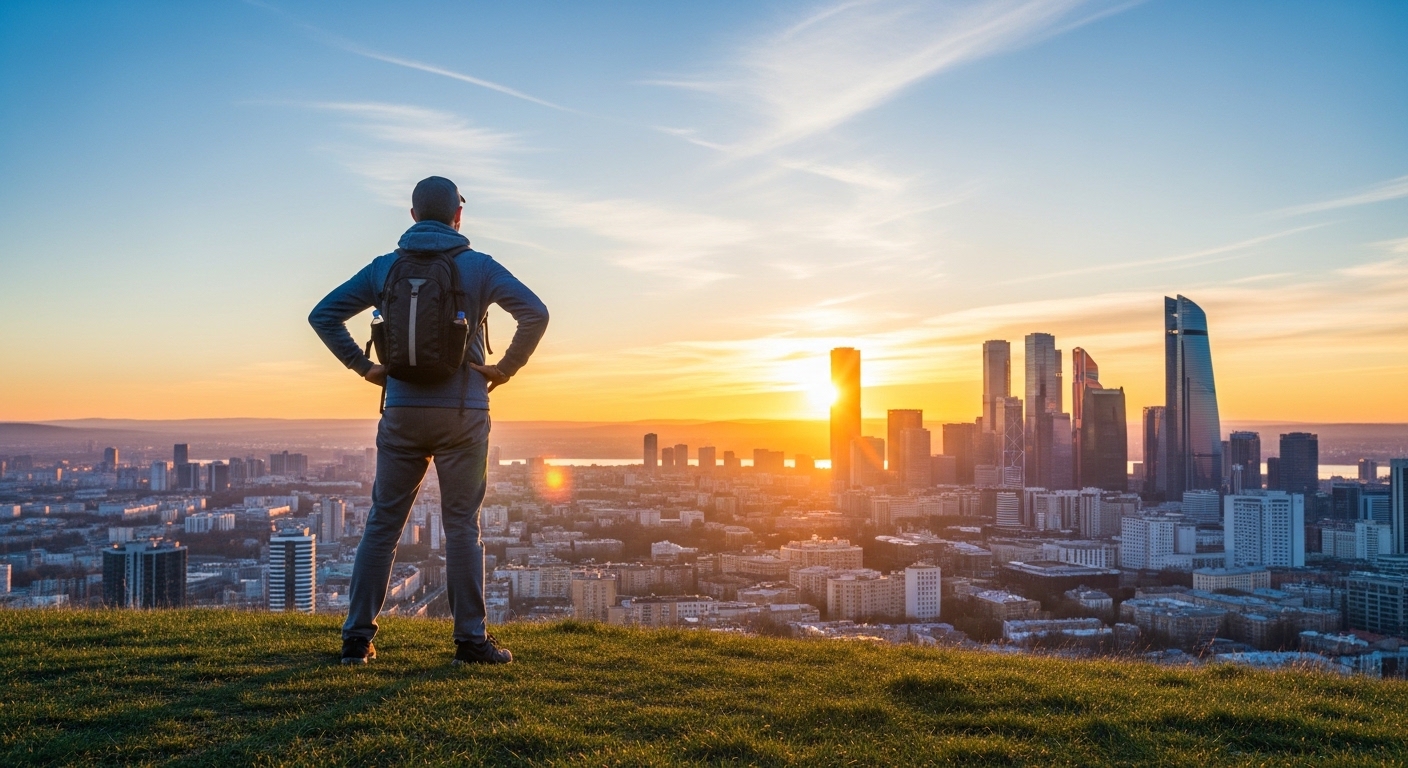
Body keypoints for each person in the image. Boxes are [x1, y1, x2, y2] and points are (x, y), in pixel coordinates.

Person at [309, 176, 548, 666]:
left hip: (400, 412)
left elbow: (323, 315)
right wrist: (504, 369)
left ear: (414, 215)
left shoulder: (385, 268)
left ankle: (356, 640)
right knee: (462, 526)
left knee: (383, 524)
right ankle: (470, 642)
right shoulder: (479, 267)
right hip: (464, 414)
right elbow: (535, 313)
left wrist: (366, 367)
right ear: (458, 216)